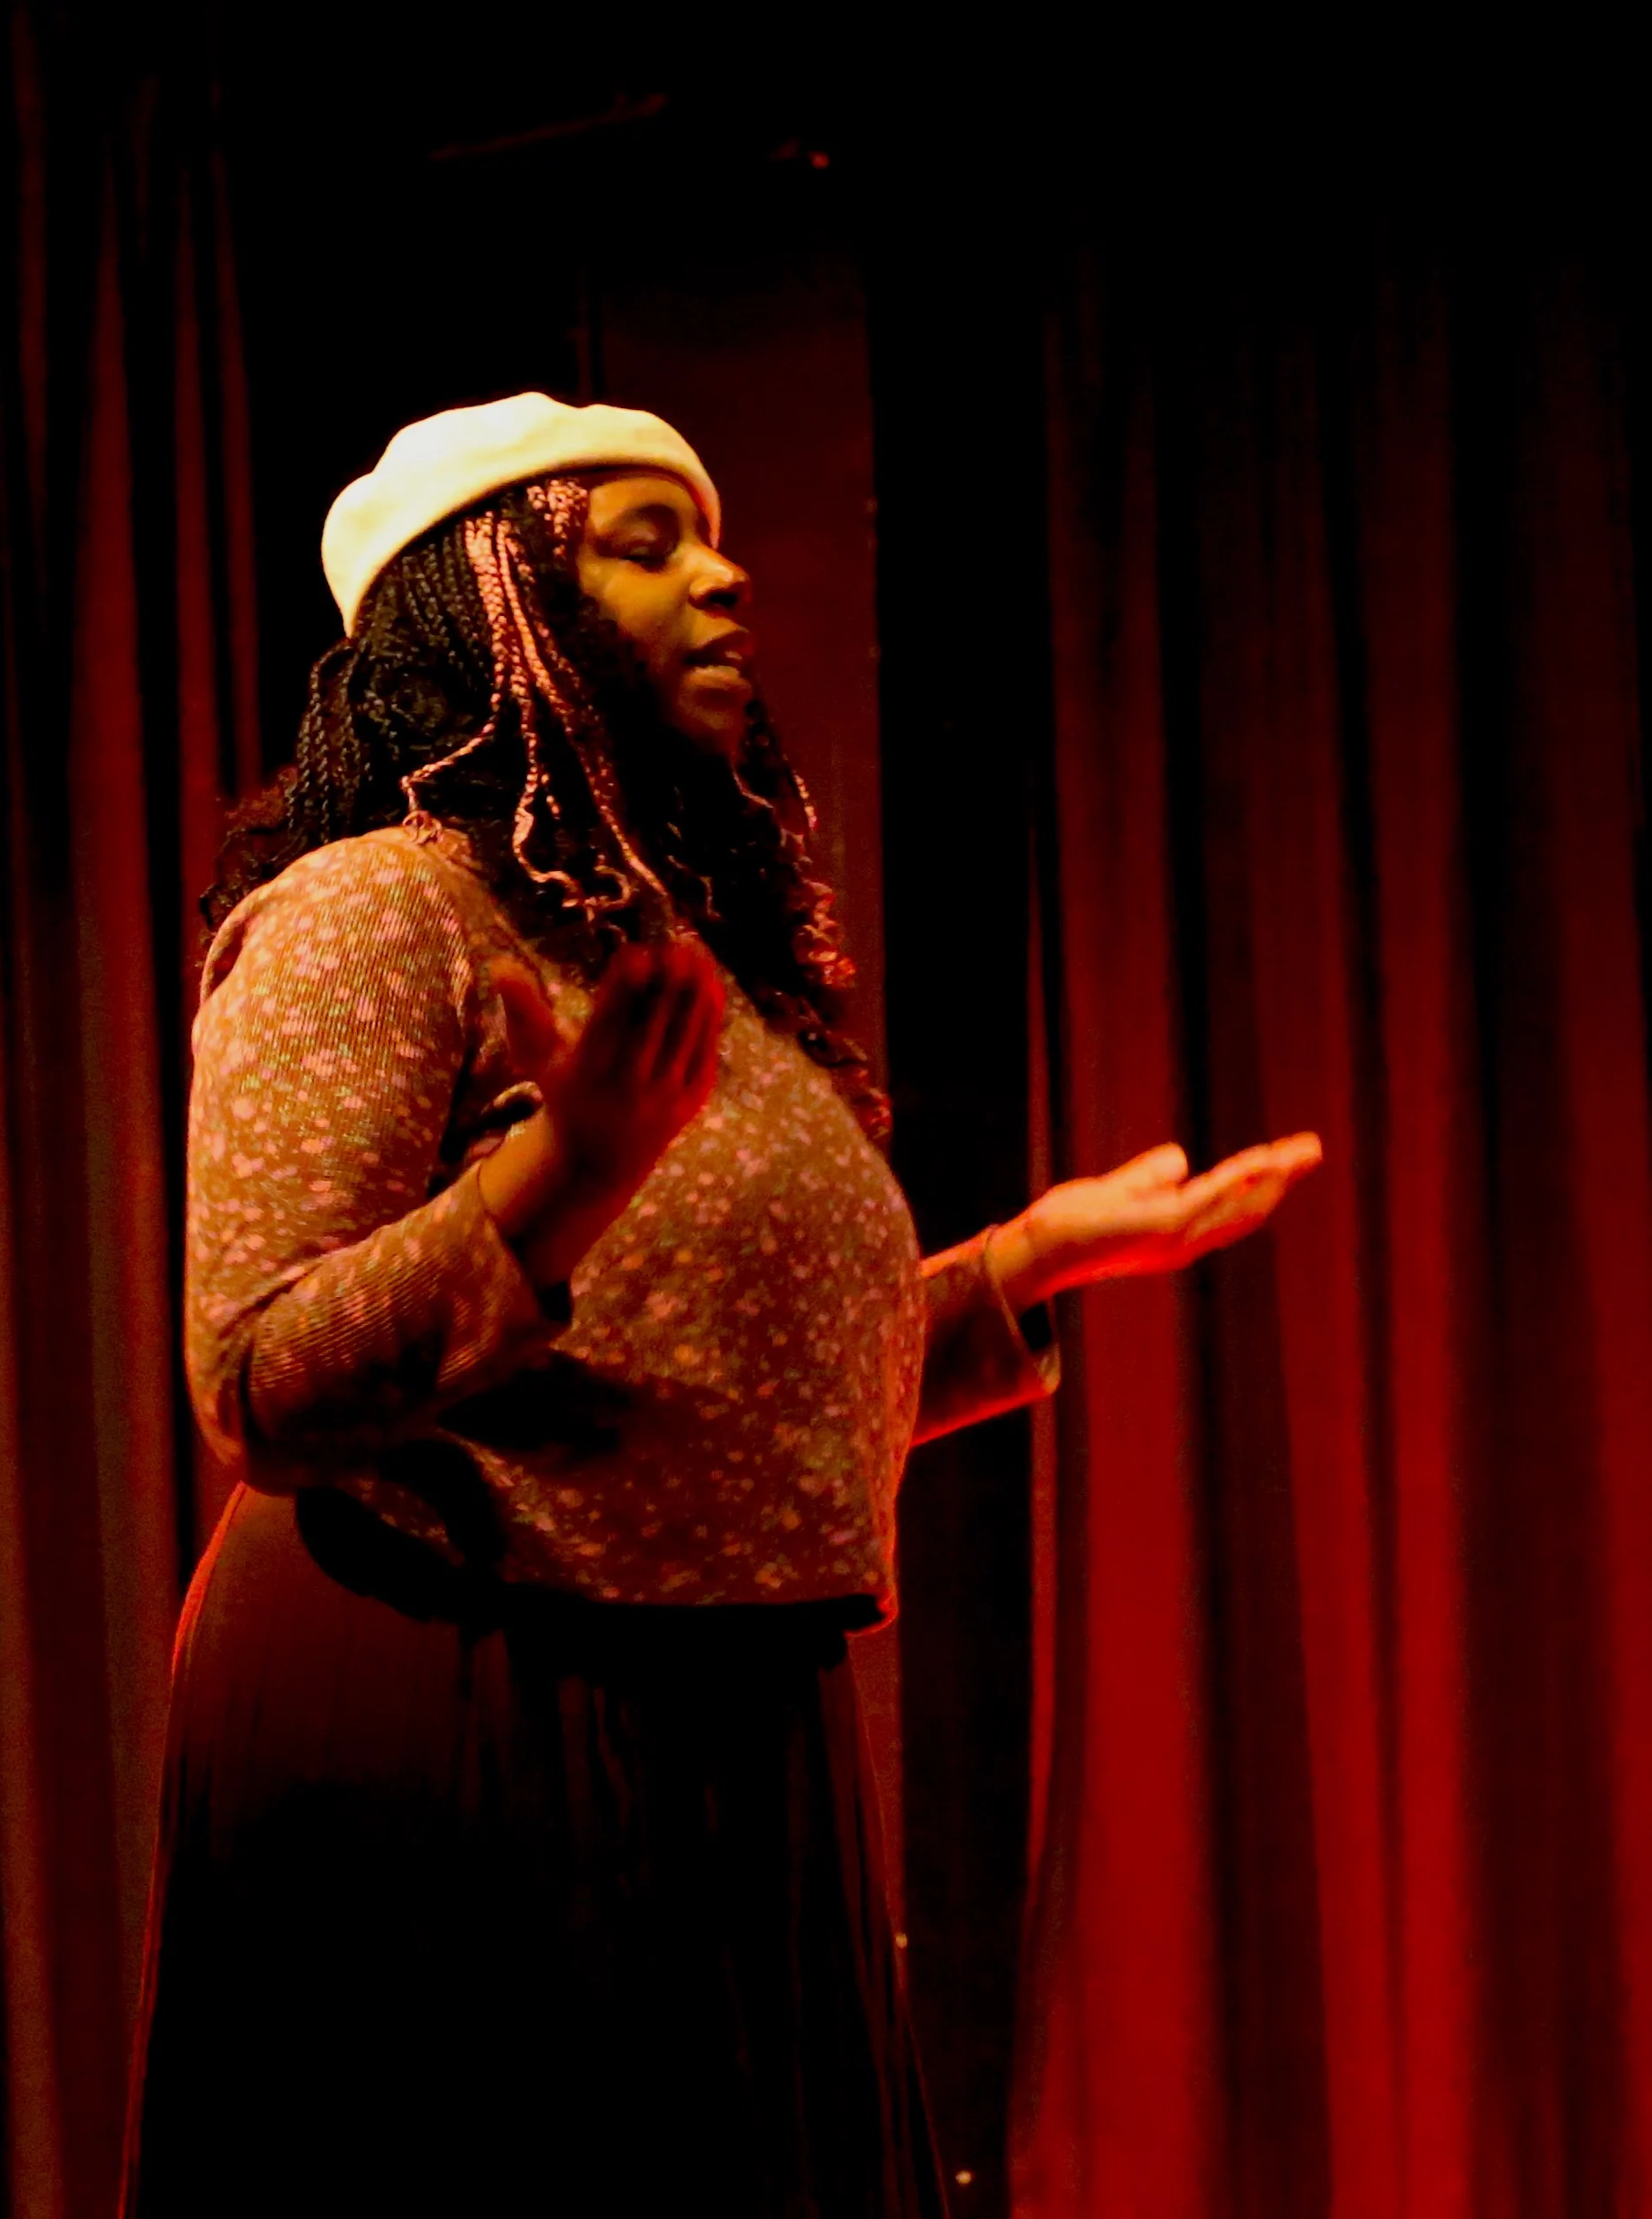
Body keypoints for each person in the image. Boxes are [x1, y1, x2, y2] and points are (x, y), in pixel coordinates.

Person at [120, 393, 1320, 2217]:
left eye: (712, 533)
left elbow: (686, 1390)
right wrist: (565, 1166)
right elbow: (261, 1376)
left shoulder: (669, 962)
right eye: (644, 540)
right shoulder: (375, 911)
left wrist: (1022, 1266)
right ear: (491, 602)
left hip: (711, 1716)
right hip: (456, 1687)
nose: (725, 571)